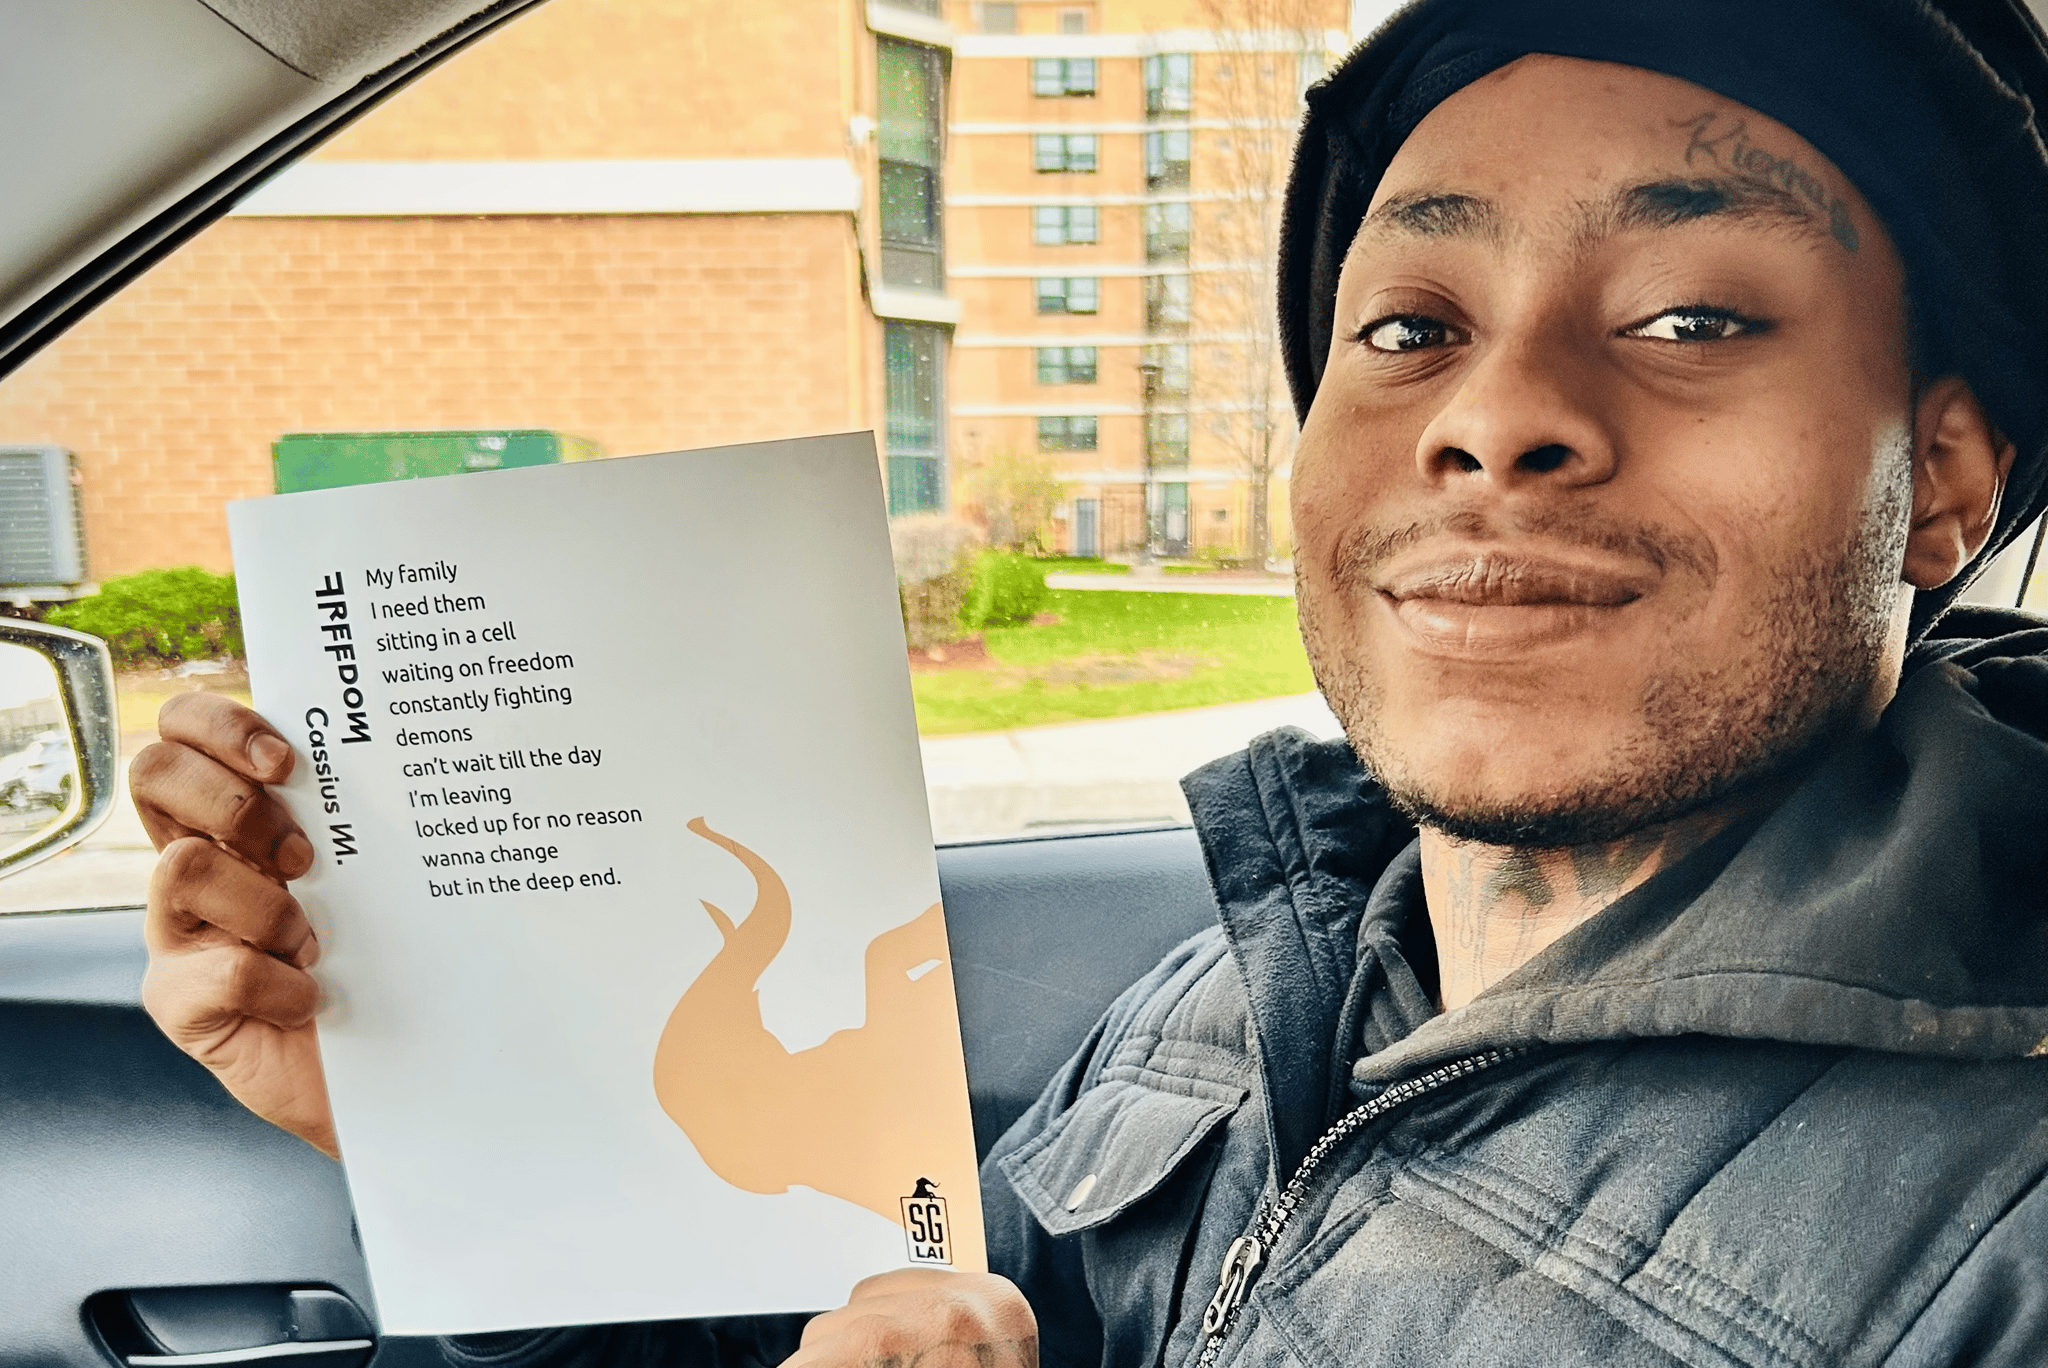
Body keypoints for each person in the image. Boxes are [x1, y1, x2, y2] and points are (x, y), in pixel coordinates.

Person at [134, 0, 2048, 1364]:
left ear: (1939, 481)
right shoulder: (1267, 950)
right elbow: (911, 1318)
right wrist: (493, 1118)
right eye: (1408, 327)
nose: (1497, 413)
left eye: (1692, 317)